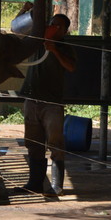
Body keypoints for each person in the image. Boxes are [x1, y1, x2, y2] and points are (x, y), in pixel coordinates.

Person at [16, 13, 76, 196]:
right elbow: (17, 32)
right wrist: (23, 13)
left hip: (52, 103)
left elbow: (71, 67)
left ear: (65, 30)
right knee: (33, 143)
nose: (53, 28)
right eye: (52, 24)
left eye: (58, 26)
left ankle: (57, 185)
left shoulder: (65, 46)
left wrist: (55, 50)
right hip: (32, 99)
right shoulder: (36, 41)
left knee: (55, 143)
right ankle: (34, 183)